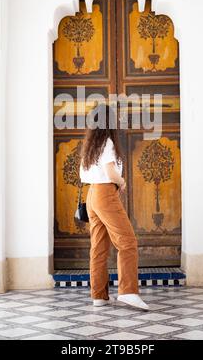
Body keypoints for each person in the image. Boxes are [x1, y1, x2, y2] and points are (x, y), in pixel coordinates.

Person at [79, 103, 149, 310]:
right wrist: (122, 181)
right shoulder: (108, 142)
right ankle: (128, 291)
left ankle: (98, 295)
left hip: (92, 194)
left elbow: (85, 174)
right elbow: (111, 173)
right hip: (105, 194)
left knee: (98, 247)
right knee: (127, 242)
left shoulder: (91, 145)